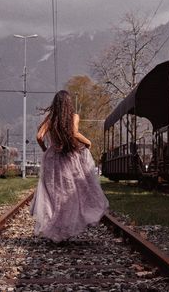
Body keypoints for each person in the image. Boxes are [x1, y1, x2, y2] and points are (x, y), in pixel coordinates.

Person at [30, 90, 109, 242]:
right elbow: (74, 132)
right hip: (69, 159)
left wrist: (45, 149)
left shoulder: (51, 118)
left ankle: (55, 229)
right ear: (68, 103)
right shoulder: (74, 117)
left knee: (54, 195)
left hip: (52, 159)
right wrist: (88, 142)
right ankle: (67, 227)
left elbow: (39, 136)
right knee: (71, 194)